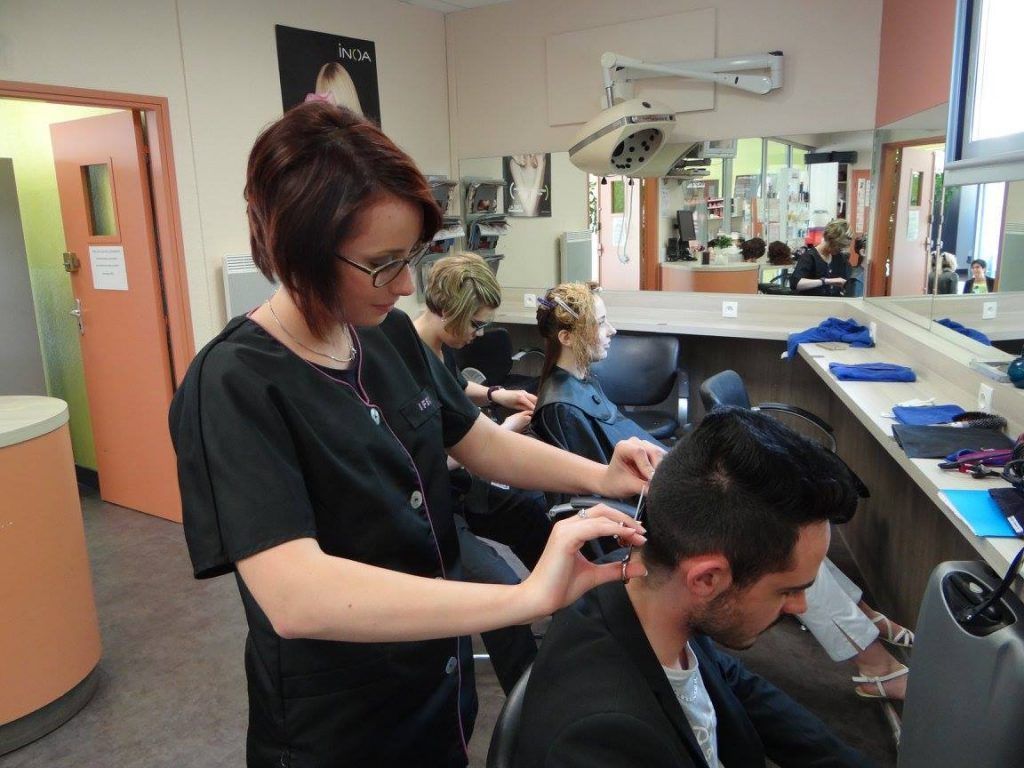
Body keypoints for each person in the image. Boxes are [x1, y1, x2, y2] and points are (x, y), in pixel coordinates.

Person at [167, 102, 660, 768]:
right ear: (300, 253)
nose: (403, 287)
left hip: (437, 686)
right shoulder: (234, 384)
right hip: (340, 723)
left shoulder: (387, 335)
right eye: (381, 264)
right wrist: (523, 597)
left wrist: (600, 476)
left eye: (412, 259)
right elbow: (295, 595)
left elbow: (474, 441)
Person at [532, 282, 913, 701]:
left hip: (669, 489)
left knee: (798, 521)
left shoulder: (584, 380)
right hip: (649, 519)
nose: (613, 330)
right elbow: (603, 492)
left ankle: (861, 616)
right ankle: (875, 665)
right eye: (601, 322)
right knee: (776, 538)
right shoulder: (560, 405)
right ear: (567, 337)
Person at [514, 407, 873, 768]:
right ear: (706, 579)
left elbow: (732, 682)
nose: (800, 605)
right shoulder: (602, 741)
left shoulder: (653, 592)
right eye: (787, 590)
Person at [414, 251, 554, 693]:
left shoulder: (439, 350)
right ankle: (530, 698)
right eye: (474, 324)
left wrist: (497, 394)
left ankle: (583, 631)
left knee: (534, 519)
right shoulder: (401, 363)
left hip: (458, 486)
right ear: (448, 312)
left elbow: (455, 389)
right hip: (428, 507)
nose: (477, 335)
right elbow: (424, 462)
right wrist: (497, 436)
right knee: (501, 588)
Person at [791, 219, 853, 296]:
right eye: (838, 246)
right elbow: (796, 284)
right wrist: (825, 281)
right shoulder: (809, 257)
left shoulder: (840, 258)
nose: (840, 250)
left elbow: (847, 283)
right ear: (830, 240)